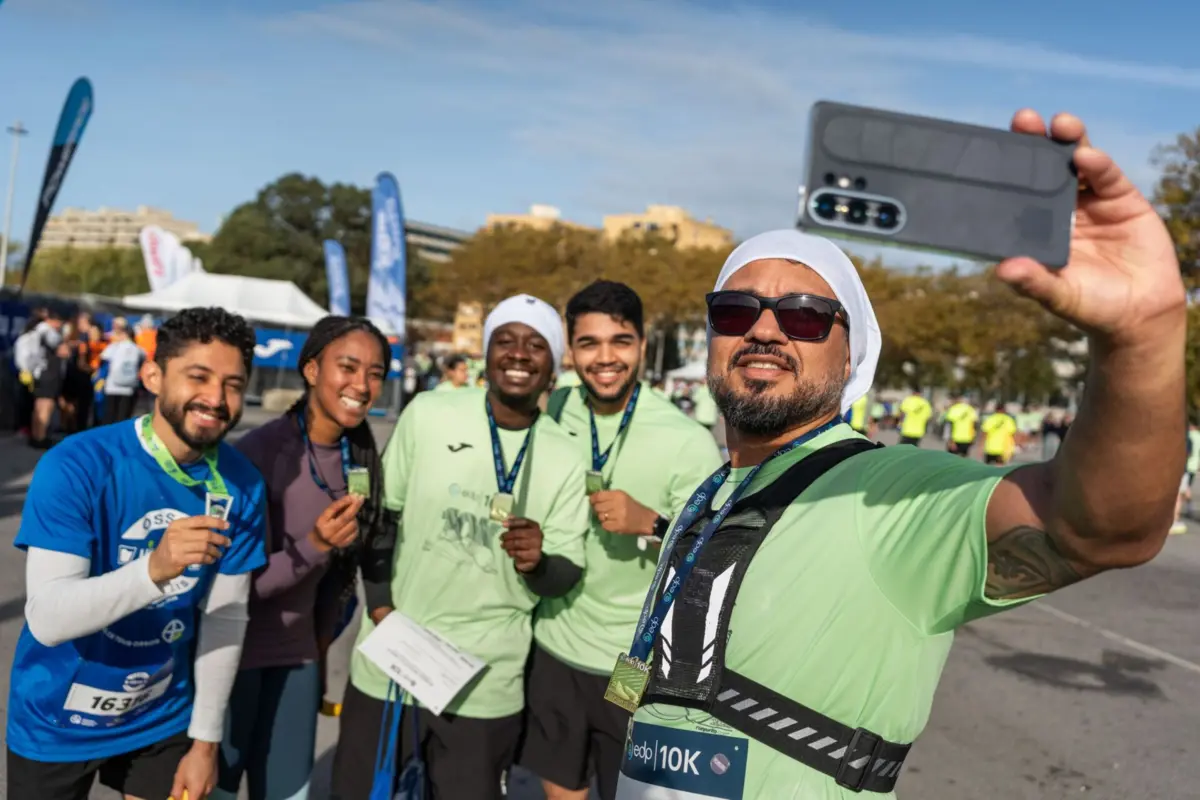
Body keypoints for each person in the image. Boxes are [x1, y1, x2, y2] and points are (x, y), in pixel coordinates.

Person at [614, 109, 1186, 799]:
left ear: (851, 351)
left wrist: (1141, 339)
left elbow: (1100, 527)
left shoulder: (885, 491)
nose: (763, 330)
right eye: (733, 312)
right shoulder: (713, 491)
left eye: (802, 316)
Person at [330, 294, 590, 800]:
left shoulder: (564, 454)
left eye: (536, 345)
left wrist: (537, 563)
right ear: (486, 355)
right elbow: (383, 516)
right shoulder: (429, 413)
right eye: (506, 341)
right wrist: (381, 604)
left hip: (484, 683)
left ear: (553, 365)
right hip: (395, 659)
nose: (519, 354)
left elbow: (568, 572)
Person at [6, 307, 267, 800]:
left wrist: (206, 741)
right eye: (199, 377)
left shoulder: (241, 482)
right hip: (56, 716)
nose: (215, 398)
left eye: (233, 384)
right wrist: (152, 570)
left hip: (160, 715)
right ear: (152, 376)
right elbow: (48, 618)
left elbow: (226, 617)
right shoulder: (77, 464)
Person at [520, 281, 722, 800]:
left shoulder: (686, 440)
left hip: (633, 663)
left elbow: (715, 561)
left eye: (621, 341)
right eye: (589, 343)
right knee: (560, 786)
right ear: (571, 349)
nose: (605, 358)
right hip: (555, 644)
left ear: (641, 342)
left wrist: (654, 523)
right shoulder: (553, 409)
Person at [215, 316, 390, 800]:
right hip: (231, 661)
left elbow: (340, 579)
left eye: (375, 373)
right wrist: (314, 544)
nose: (361, 384)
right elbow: (230, 587)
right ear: (311, 370)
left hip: (299, 662)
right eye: (348, 367)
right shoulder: (259, 452)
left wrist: (323, 637)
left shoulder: (362, 459)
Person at [26, 308, 65, 447]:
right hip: (48, 373)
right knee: (46, 406)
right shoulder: (49, 333)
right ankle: (41, 437)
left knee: (38, 405)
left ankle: (35, 434)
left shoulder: (35, 331)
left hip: (38, 373)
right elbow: (62, 350)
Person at [99, 317, 146, 425]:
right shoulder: (138, 349)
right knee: (123, 417)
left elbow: (103, 360)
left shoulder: (114, 347)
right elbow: (143, 362)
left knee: (109, 417)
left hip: (112, 387)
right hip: (129, 388)